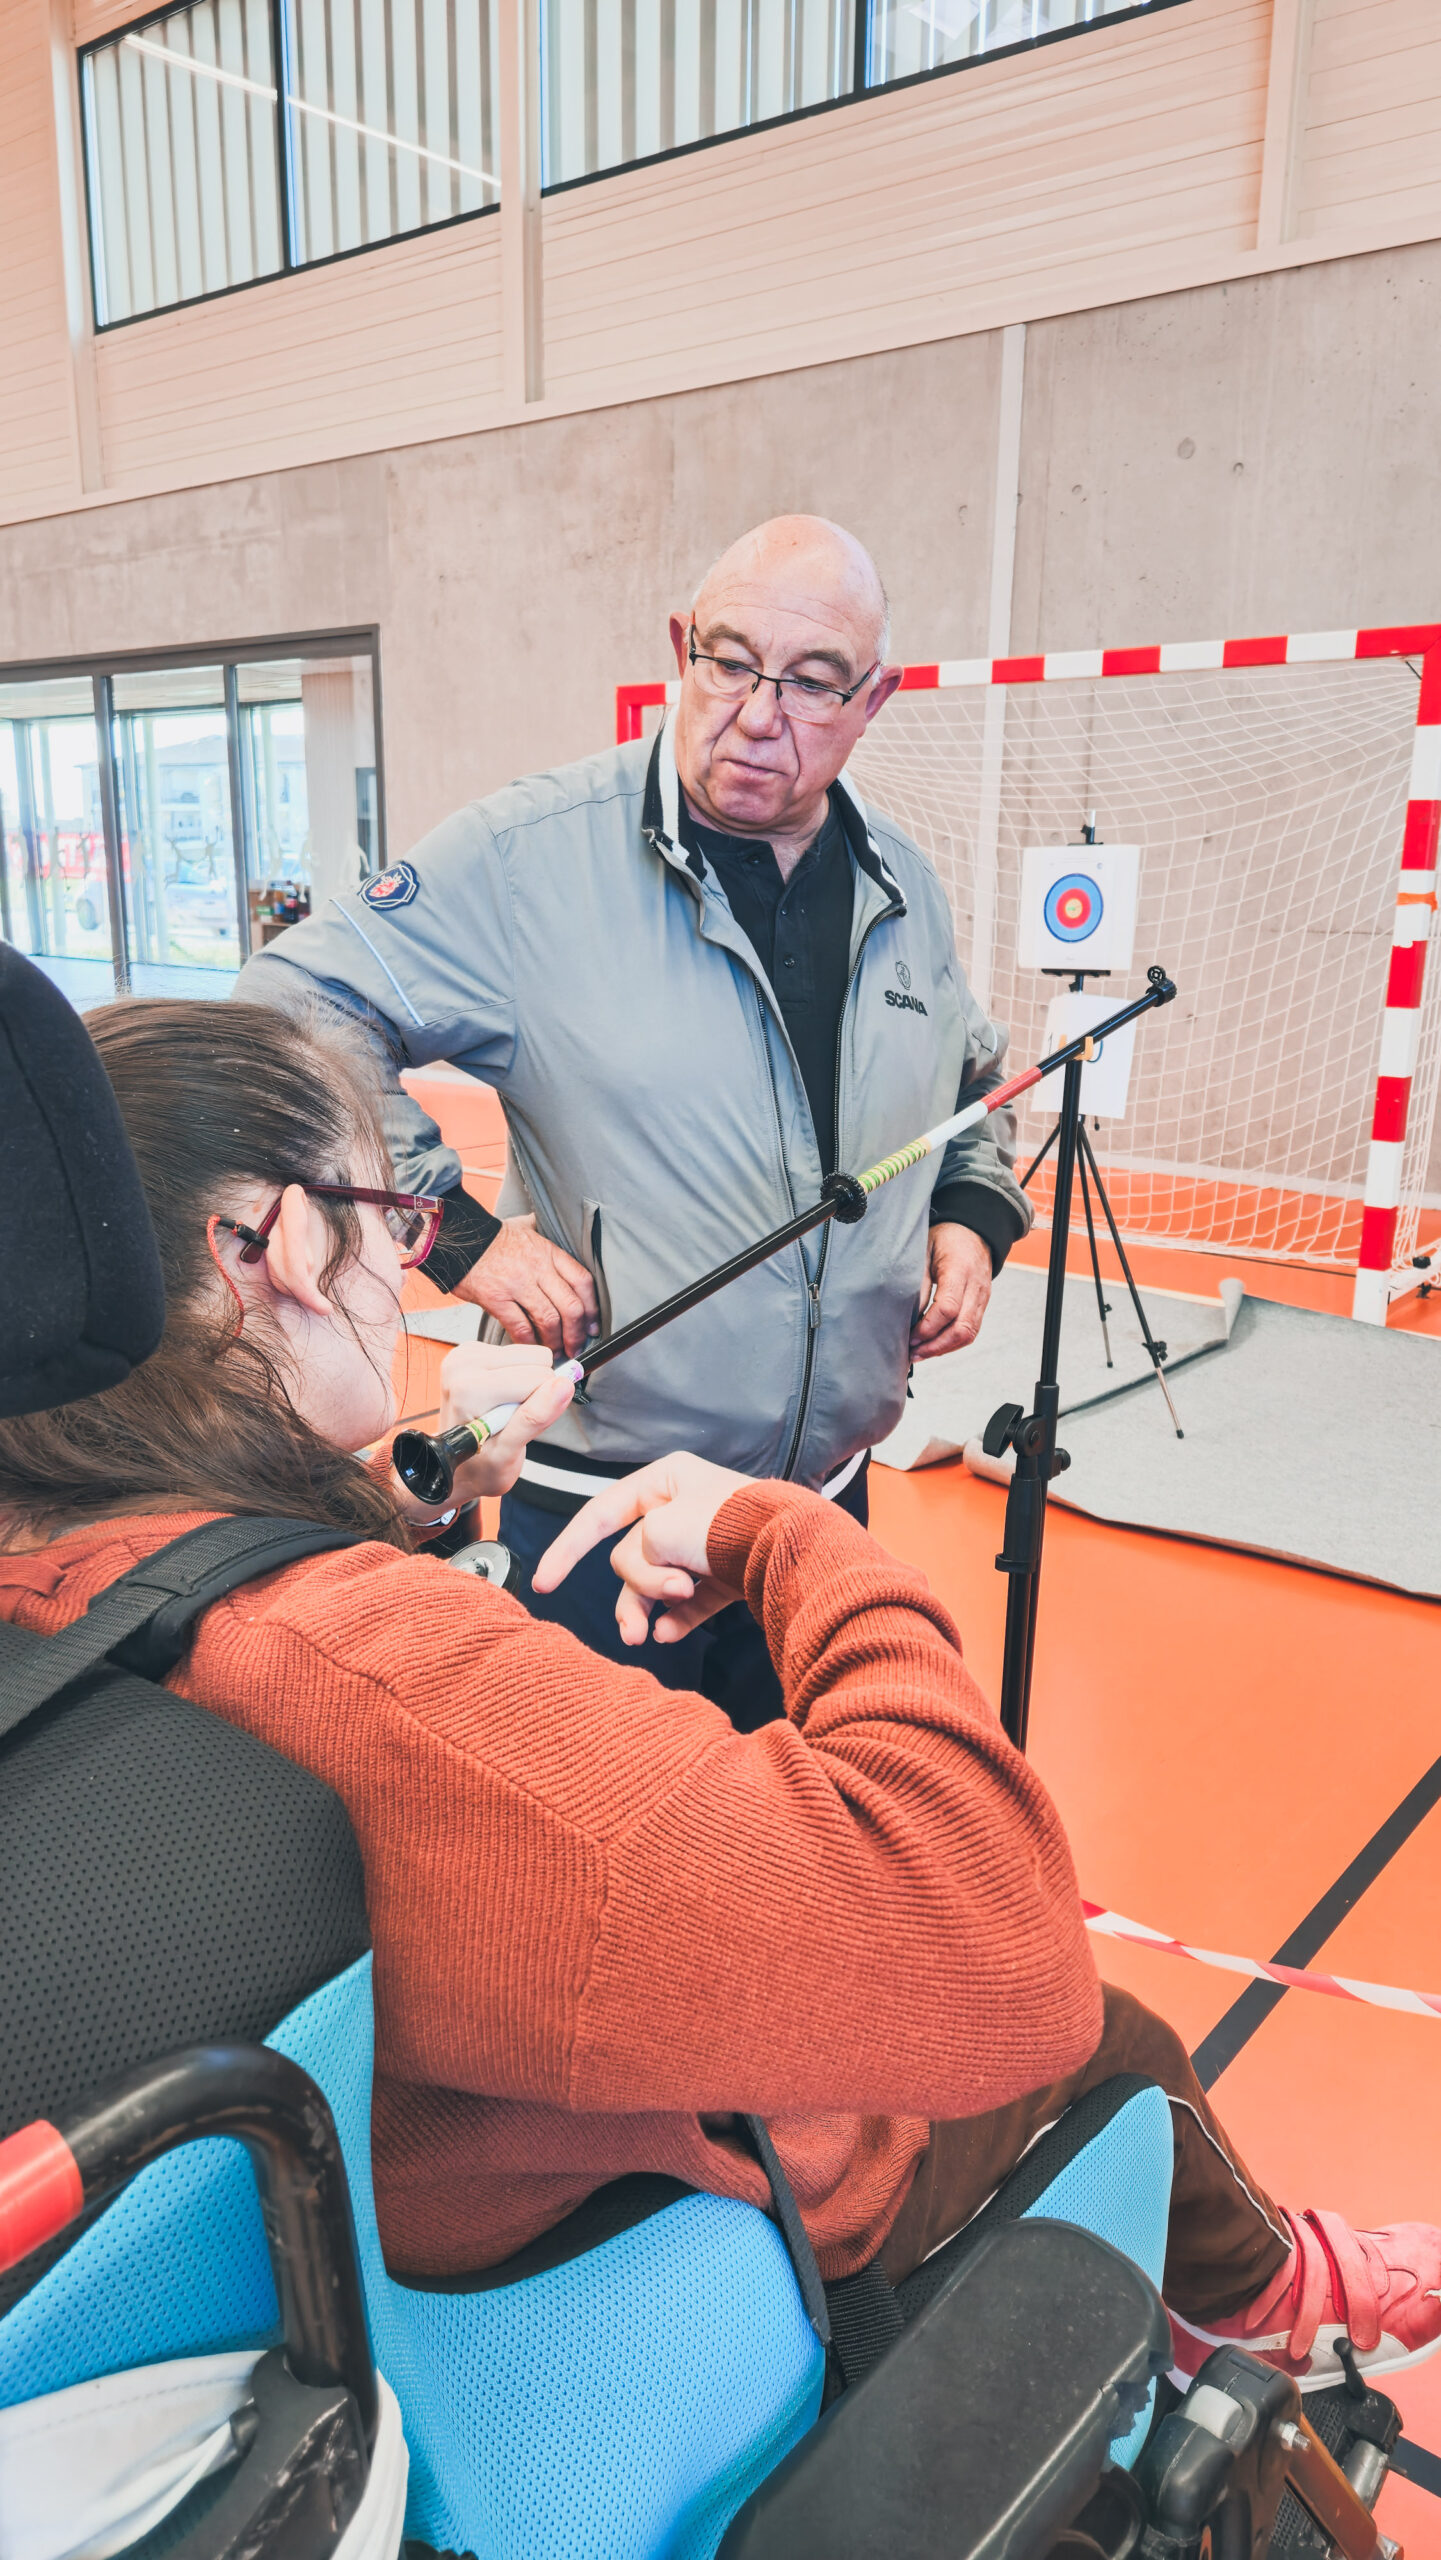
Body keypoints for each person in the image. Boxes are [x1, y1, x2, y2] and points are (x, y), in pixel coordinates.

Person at [0, 993, 1436, 2395]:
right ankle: (1260, 2301)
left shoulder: (62, 1578)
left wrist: (422, 1508)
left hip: (330, 2259)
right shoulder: (394, 1680)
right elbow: (1001, 1950)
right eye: (389, 1217)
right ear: (270, 1245)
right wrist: (783, 1534)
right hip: (613, 2261)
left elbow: (192, 1594)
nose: (401, 1264)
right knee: (1124, 2040)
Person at [235, 516, 1030, 1727]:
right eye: (727, 659)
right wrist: (449, 1227)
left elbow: (970, 1081)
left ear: (873, 700)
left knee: (789, 1864)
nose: (759, 712)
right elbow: (293, 1001)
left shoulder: (900, 887)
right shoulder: (528, 858)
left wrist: (970, 1215)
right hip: (599, 1506)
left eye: (813, 682)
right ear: (679, 647)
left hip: (818, 1515)